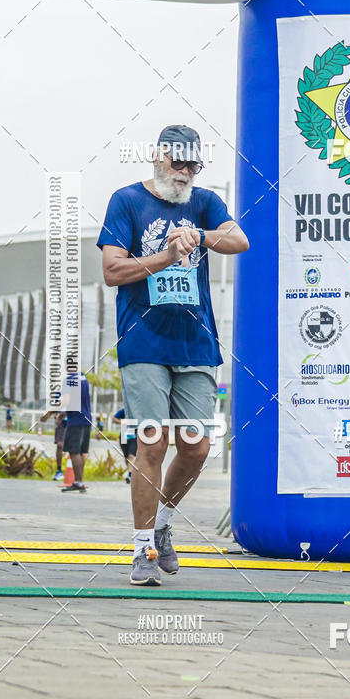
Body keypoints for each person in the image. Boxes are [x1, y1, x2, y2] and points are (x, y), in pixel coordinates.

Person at [98, 125, 249, 585]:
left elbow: (239, 241)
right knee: (152, 442)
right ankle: (142, 548)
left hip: (195, 341)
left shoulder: (204, 203)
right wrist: (166, 256)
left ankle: (162, 523)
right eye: (176, 161)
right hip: (144, 340)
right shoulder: (126, 201)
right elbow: (112, 270)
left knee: (197, 446)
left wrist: (199, 236)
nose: (183, 172)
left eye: (192, 164)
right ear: (157, 156)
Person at [59, 370, 92, 493]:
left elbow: (66, 401)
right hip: (86, 419)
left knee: (74, 452)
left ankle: (78, 482)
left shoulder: (68, 380)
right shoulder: (83, 378)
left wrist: (49, 412)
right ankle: (80, 482)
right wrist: (64, 414)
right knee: (82, 452)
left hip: (75, 421)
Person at [114, 407, 136, 483]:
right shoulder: (124, 410)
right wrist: (123, 422)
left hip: (134, 437)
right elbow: (114, 419)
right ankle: (130, 472)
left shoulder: (137, 411)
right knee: (126, 458)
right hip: (124, 436)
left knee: (131, 456)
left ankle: (130, 475)